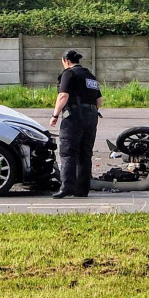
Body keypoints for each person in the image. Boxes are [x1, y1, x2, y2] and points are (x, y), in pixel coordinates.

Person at [49, 49, 103, 198]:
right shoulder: (90, 76)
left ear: (66, 60)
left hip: (74, 117)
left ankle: (67, 188)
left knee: (68, 153)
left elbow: (63, 95)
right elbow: (99, 101)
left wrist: (55, 115)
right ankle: (82, 190)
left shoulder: (69, 73)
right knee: (85, 154)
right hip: (92, 117)